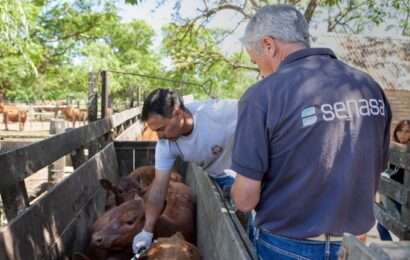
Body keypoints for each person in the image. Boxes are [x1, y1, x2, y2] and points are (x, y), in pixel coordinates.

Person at [229, 4, 392, 260]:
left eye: (255, 61)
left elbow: (246, 200)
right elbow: (376, 166)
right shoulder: (368, 86)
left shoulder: (262, 96)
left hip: (285, 248)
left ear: (269, 45)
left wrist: (234, 192)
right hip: (355, 248)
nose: (259, 71)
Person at [131, 88, 237, 255]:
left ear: (177, 113)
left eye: (162, 128)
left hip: (247, 174)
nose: (159, 136)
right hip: (218, 177)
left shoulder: (220, 112)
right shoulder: (166, 145)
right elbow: (159, 187)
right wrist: (147, 230)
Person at [377, 119, 410, 240]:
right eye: (400, 131)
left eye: (407, 132)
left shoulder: (407, 151)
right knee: (381, 226)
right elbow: (391, 171)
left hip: (403, 198)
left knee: (402, 230)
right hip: (391, 193)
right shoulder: (394, 149)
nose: (403, 134)